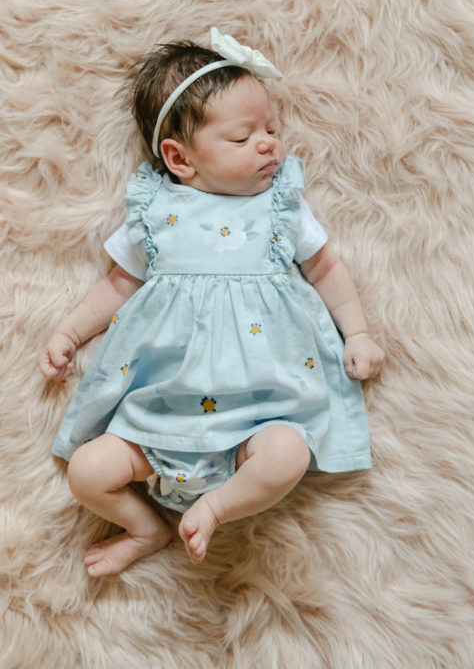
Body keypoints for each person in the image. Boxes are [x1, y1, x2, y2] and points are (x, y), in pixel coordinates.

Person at [39, 29, 385, 577]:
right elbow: (116, 286)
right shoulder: (154, 212)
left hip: (258, 415)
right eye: (243, 137)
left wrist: (359, 333)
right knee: (86, 470)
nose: (269, 143)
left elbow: (326, 268)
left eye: (271, 128)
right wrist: (68, 333)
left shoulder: (281, 206)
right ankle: (145, 527)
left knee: (289, 454)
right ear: (180, 159)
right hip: (156, 417)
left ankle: (217, 505)